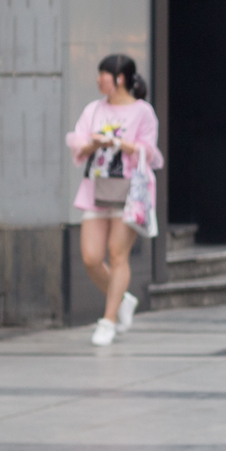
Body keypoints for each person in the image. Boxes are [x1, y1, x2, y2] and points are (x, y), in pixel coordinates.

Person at [68, 54, 158, 345]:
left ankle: (108, 321)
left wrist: (117, 142)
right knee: (91, 258)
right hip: (96, 190)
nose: (98, 80)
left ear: (119, 79)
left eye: (102, 75)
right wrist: (92, 144)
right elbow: (78, 142)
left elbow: (149, 152)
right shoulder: (94, 109)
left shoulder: (143, 112)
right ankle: (122, 299)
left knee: (117, 255)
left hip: (129, 192)